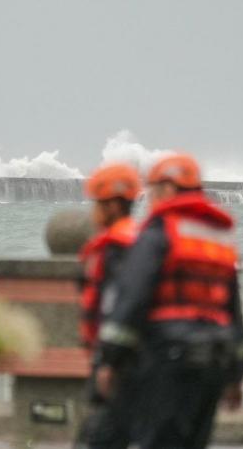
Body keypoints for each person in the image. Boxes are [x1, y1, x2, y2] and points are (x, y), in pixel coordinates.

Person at [97, 153, 243, 449]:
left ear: (167, 189)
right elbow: (234, 313)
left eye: (151, 191)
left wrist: (110, 359)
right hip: (214, 364)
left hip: (170, 360)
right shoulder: (219, 238)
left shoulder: (159, 232)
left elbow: (133, 298)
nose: (149, 199)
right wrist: (236, 375)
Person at [75, 163, 141, 449]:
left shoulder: (118, 248)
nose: (94, 210)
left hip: (119, 364)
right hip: (128, 360)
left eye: (98, 203)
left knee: (98, 439)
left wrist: (110, 362)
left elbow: (121, 306)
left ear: (114, 205)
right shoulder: (138, 240)